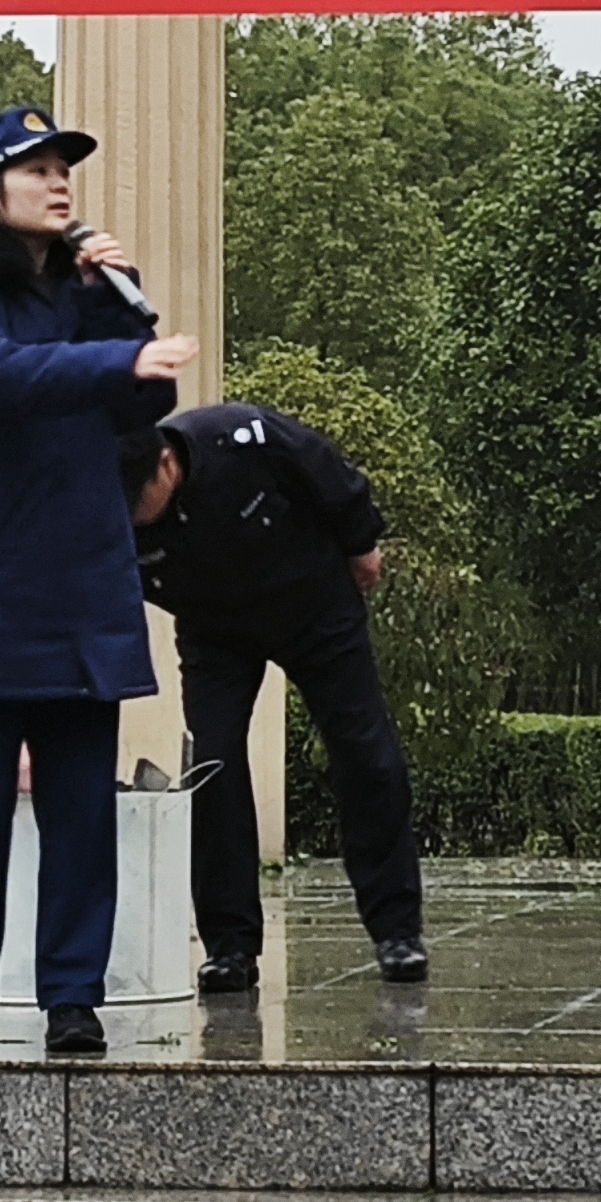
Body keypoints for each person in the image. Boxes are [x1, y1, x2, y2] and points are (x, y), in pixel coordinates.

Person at [0, 106, 195, 1057]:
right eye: (36, 168)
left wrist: (115, 304)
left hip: (79, 584)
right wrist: (116, 354)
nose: (59, 180)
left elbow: (147, 397)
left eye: (65, 166)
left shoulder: (83, 289)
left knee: (81, 814)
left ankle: (74, 997)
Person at [123, 403, 430, 990]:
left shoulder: (240, 438)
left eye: (139, 502)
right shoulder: (107, 506)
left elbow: (326, 471)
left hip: (313, 606)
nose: (133, 519)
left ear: (165, 463)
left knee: (366, 754)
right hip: (213, 631)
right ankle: (230, 946)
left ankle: (397, 931)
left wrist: (361, 542)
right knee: (214, 766)